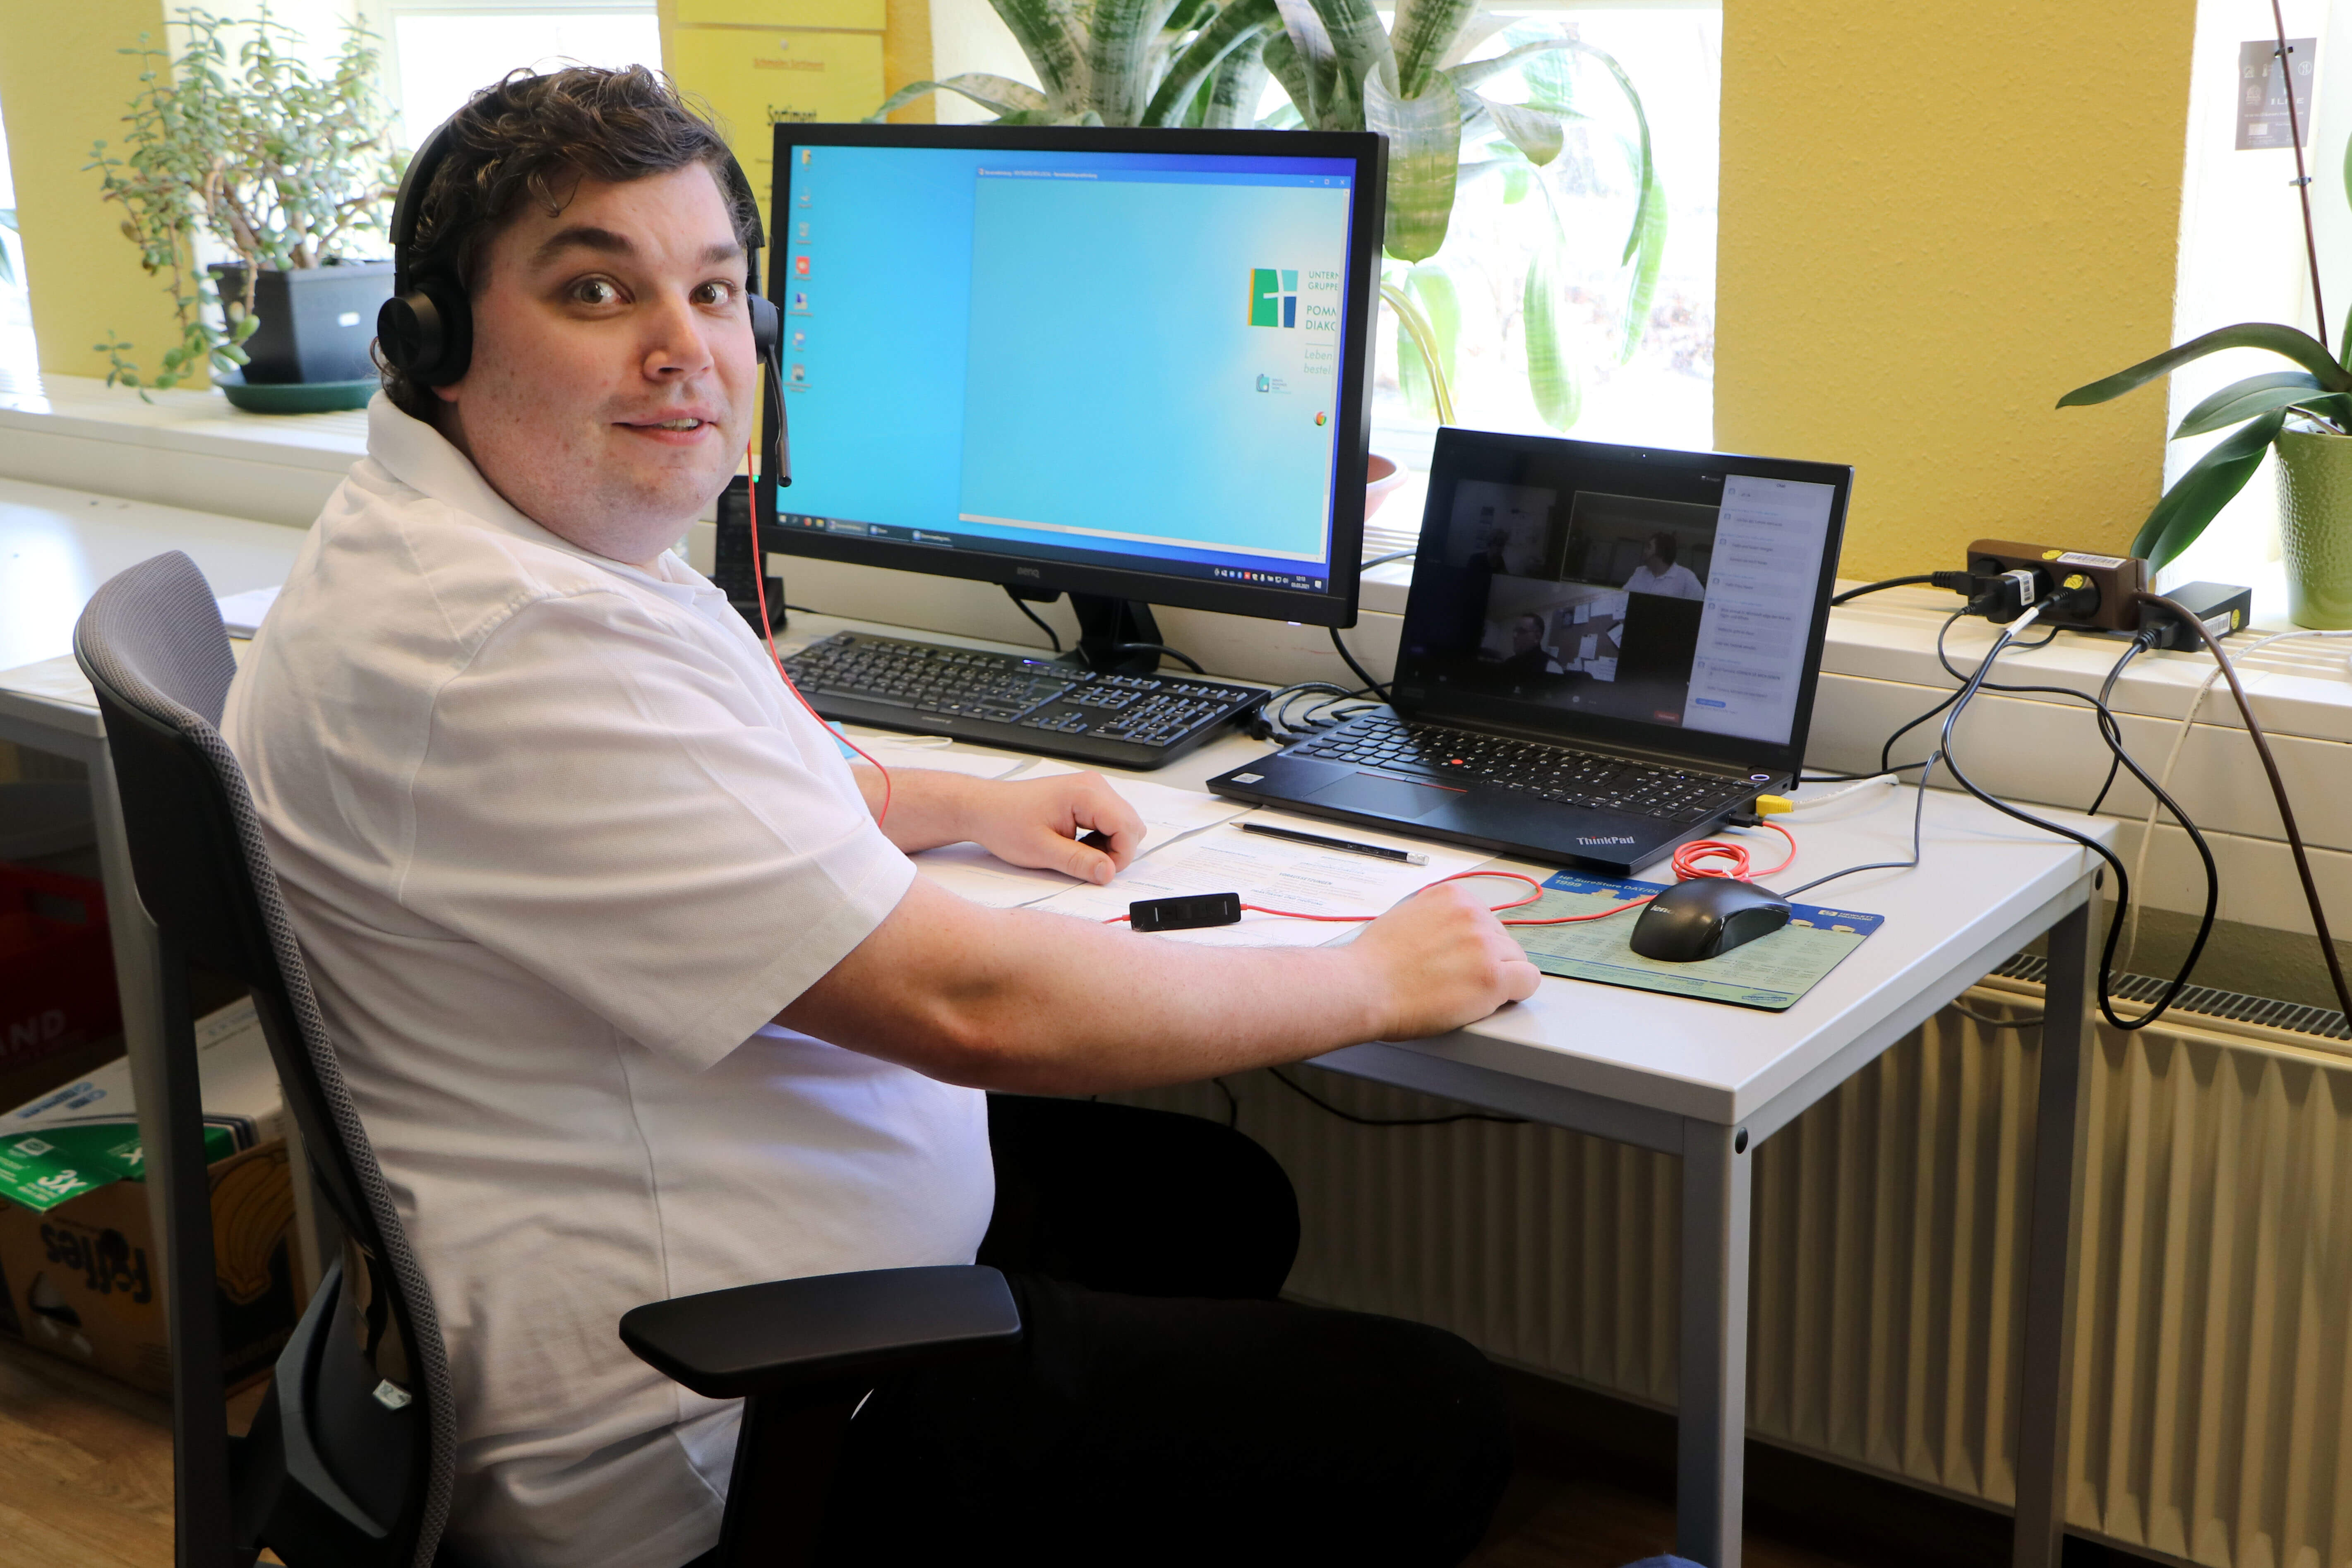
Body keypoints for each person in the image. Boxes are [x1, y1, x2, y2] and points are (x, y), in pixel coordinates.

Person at [221, 67, 1535, 1568]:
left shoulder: (476, 540)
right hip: (719, 1412)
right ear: (436, 341)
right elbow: (970, 1007)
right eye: (597, 291)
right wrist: (1374, 979)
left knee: (1212, 1203)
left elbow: (696, 796)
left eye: (715, 292)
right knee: (1438, 1416)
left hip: (679, 1246)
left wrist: (962, 800)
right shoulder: (505, 639)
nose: (684, 350)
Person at [1622, 530, 1705, 599]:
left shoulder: (1687, 577)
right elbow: (1622, 598)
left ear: (1661, 553)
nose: (1645, 551)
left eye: (1649, 547)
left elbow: (1701, 606)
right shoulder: (1640, 572)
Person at [1495, 612, 1560, 678]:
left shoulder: (1553, 666)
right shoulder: (1509, 663)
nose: (1515, 636)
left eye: (1521, 631)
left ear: (1537, 637)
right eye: (1515, 631)